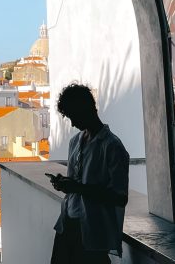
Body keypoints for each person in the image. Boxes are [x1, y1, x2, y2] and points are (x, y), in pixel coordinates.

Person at [48, 83, 130, 263]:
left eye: (74, 116)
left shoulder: (113, 147)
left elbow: (120, 198)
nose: (73, 123)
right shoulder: (75, 142)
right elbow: (77, 184)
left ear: (87, 109)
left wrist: (78, 188)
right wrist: (66, 184)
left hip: (92, 234)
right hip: (66, 226)